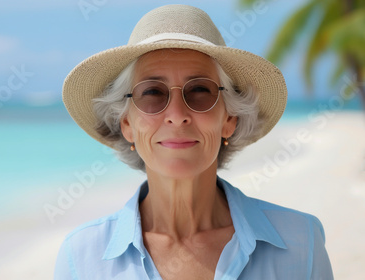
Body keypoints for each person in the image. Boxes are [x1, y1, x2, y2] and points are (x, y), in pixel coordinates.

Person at [55, 4, 333, 279]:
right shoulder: (81, 257)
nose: (177, 115)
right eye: (152, 92)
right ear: (126, 124)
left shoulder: (301, 243)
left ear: (229, 118)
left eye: (200, 90)